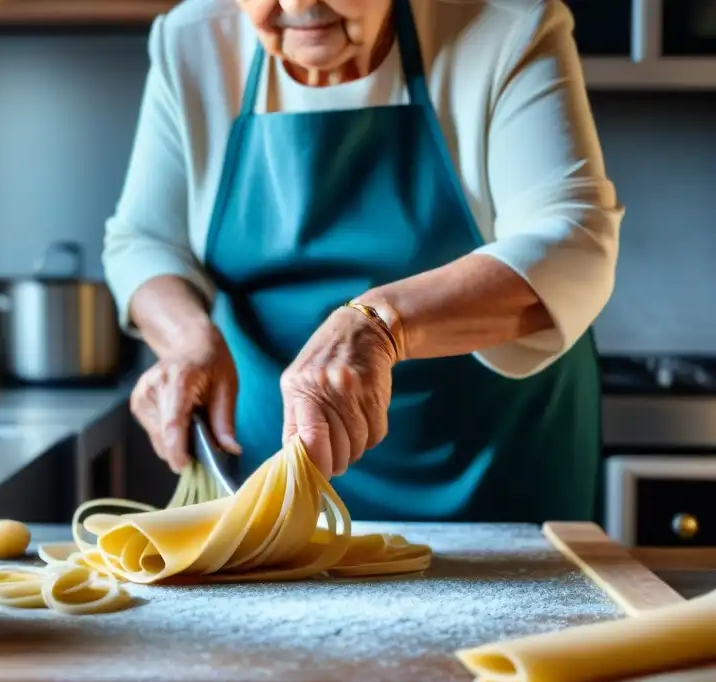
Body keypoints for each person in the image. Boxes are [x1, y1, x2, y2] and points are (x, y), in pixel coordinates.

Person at [102, 0, 623, 522]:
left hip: (495, 470)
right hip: (274, 472)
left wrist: (378, 325)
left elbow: (571, 239)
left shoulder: (505, 26)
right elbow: (144, 240)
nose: (299, 5)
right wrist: (187, 338)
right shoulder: (192, 40)